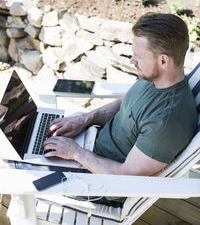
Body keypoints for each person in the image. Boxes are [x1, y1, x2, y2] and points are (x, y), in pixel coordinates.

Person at [43, 12, 198, 177]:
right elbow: (126, 104)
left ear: (163, 61)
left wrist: (76, 153)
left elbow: (125, 176)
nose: (132, 61)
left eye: (138, 56)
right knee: (28, 137)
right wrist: (84, 120)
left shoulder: (167, 123)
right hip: (88, 143)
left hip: (95, 178)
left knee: (16, 165)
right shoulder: (154, 78)